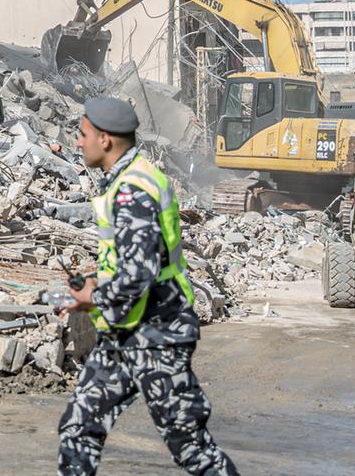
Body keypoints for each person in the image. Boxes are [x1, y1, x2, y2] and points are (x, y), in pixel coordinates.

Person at [55, 96, 238, 476]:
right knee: (78, 428)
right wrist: (95, 283)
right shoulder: (125, 179)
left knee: (190, 447)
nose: (78, 142)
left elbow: (138, 274)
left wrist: (94, 297)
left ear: (104, 139)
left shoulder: (132, 190)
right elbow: (128, 261)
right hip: (125, 332)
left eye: (83, 134)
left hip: (158, 335)